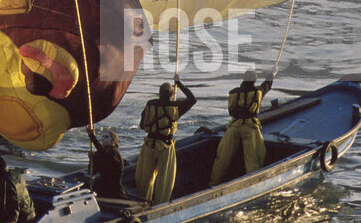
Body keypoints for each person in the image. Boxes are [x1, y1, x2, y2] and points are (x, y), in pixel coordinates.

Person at [136, 75, 196, 204]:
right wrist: (179, 84)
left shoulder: (150, 104)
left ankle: (142, 202)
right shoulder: (175, 107)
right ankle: (160, 204)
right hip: (165, 146)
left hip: (149, 145)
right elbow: (192, 99)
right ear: (170, 94)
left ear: (159, 93)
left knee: (145, 177)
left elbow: (142, 125)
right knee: (165, 179)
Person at [210, 69, 274, 185]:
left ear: (243, 79)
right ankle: (253, 184)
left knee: (222, 158)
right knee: (253, 158)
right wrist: (271, 75)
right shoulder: (258, 92)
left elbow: (231, 112)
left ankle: (213, 183)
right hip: (250, 127)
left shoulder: (233, 92)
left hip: (234, 126)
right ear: (254, 80)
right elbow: (267, 85)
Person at [0, 155, 36, 223]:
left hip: (21, 220)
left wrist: (12, 220)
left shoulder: (4, 182)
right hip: (30, 213)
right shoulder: (16, 174)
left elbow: (13, 201)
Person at [87, 127, 127, 199]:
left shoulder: (114, 151)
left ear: (113, 140)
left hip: (115, 190)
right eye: (102, 137)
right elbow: (92, 172)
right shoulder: (99, 153)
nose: (103, 139)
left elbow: (104, 154)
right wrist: (91, 159)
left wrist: (91, 136)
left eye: (106, 137)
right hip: (104, 188)